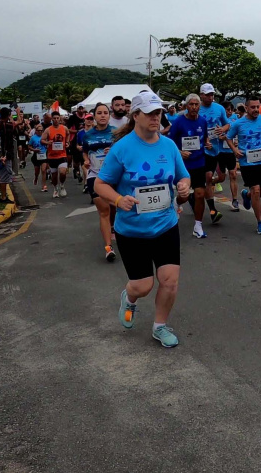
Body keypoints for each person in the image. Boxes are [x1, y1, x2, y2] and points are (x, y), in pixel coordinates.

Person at [94, 90, 191, 349]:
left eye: (158, 112)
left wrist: (183, 186)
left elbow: (184, 176)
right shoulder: (122, 148)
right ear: (135, 115)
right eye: (149, 113)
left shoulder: (169, 145)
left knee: (170, 280)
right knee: (143, 286)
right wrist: (117, 200)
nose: (155, 117)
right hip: (132, 230)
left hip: (165, 225)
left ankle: (160, 326)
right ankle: (129, 298)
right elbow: (100, 184)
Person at [227, 95, 261, 235]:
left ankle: (246, 195)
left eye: (257, 107)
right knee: (255, 189)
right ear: (246, 107)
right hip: (247, 162)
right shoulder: (238, 123)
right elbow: (229, 137)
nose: (256, 110)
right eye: (253, 107)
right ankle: (260, 222)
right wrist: (235, 150)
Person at [167, 94, 212, 238]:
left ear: (199, 106)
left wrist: (207, 143)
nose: (194, 107)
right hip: (183, 165)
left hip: (199, 162)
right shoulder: (179, 122)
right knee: (184, 196)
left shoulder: (203, 121)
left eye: (196, 104)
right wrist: (179, 152)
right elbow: (169, 143)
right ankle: (177, 202)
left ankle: (198, 225)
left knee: (200, 194)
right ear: (186, 106)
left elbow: (204, 138)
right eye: (191, 104)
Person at [82, 103, 117, 261]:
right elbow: (84, 151)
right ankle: (108, 248)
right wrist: (86, 161)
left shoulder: (116, 133)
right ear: (94, 116)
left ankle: (113, 227)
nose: (102, 115)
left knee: (114, 208)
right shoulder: (88, 135)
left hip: (113, 177)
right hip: (95, 176)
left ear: (109, 115)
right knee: (104, 211)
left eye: (105, 113)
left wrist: (114, 151)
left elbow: (125, 154)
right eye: (99, 113)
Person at [197, 83, 229, 225]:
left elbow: (228, 124)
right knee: (208, 176)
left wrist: (222, 129)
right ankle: (213, 210)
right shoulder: (196, 109)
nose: (211, 97)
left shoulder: (219, 108)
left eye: (212, 94)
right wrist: (203, 141)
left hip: (216, 149)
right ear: (201, 95)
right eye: (208, 94)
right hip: (201, 150)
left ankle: (197, 194)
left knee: (220, 177)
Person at [41, 112, 69, 198]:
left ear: (59, 119)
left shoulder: (64, 128)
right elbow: (42, 140)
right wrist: (47, 142)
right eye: (54, 118)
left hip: (62, 155)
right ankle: (55, 188)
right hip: (52, 156)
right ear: (52, 119)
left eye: (57, 118)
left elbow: (68, 134)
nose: (56, 120)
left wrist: (67, 142)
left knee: (63, 172)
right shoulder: (48, 129)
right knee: (54, 175)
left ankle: (62, 186)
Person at [221, 101, 241, 210]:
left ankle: (235, 200)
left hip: (230, 152)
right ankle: (208, 186)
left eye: (230, 110)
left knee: (233, 174)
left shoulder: (235, 119)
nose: (229, 112)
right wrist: (222, 137)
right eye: (227, 110)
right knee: (221, 178)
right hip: (219, 152)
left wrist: (237, 141)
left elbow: (239, 132)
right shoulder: (218, 119)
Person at [29, 123, 49, 192]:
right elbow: (29, 146)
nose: (40, 132)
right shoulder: (33, 138)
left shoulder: (45, 137)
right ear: (36, 131)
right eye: (39, 130)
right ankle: (36, 177)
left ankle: (44, 186)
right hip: (36, 155)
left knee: (43, 170)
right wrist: (34, 150)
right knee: (37, 171)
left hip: (44, 155)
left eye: (41, 130)